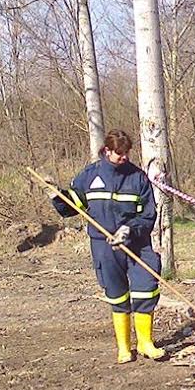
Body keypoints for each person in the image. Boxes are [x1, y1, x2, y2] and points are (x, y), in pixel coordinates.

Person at [46, 129, 165, 364]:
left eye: (127, 153)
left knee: (146, 287)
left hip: (137, 244)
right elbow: (72, 206)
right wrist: (56, 195)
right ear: (107, 151)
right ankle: (124, 347)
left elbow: (149, 214)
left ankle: (145, 343)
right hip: (104, 246)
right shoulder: (90, 176)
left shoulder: (138, 178)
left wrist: (129, 229)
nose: (124, 157)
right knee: (117, 294)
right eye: (119, 153)